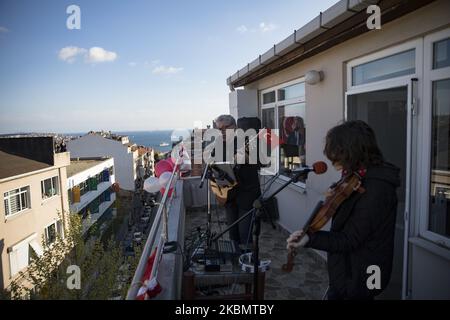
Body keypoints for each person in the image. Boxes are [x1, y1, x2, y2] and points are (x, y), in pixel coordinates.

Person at [286, 120, 400, 300]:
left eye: (338, 156)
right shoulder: (358, 176)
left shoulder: (378, 189)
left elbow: (349, 239)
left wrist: (310, 238)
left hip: (365, 273)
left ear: (352, 152)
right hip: (348, 271)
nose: (334, 162)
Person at [213, 114, 261, 251]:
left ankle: (248, 261)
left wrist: (244, 157)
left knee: (245, 233)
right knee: (233, 233)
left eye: (224, 128)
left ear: (234, 127)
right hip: (229, 195)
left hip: (247, 194)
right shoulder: (219, 144)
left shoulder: (248, 140)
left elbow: (258, 159)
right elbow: (214, 165)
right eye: (218, 129)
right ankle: (235, 258)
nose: (221, 132)